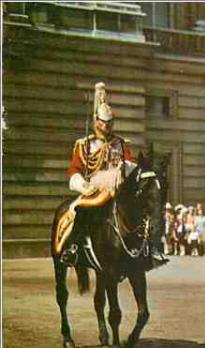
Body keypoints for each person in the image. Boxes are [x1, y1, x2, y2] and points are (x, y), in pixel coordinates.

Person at [61, 82, 147, 265]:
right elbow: (74, 170)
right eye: (103, 122)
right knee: (79, 209)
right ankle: (73, 248)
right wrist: (82, 185)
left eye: (110, 122)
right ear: (96, 121)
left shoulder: (122, 144)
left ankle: (147, 249)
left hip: (117, 189)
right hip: (93, 189)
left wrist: (123, 169)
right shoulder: (84, 144)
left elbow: (132, 163)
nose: (107, 126)